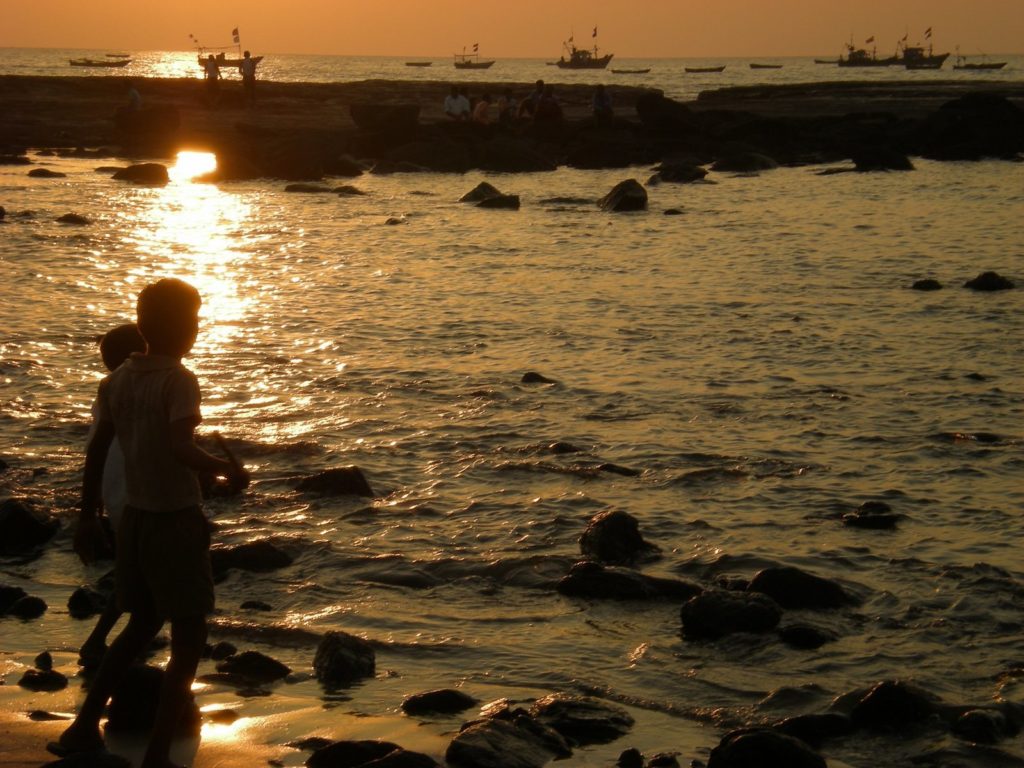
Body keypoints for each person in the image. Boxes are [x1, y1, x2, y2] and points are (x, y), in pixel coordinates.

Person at [52, 278, 250, 768]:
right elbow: (180, 448)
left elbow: (96, 451)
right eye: (196, 318)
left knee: (139, 624)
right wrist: (225, 468)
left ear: (141, 326)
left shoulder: (117, 378)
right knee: (188, 639)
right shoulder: (179, 379)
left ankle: (82, 728)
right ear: (184, 328)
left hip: (135, 521)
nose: (199, 327)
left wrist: (87, 517)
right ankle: (158, 754)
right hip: (173, 521)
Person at [76, 324, 146, 669]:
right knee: (142, 581)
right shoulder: (132, 387)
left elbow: (97, 450)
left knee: (132, 574)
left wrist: (91, 508)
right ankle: (102, 645)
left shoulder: (109, 389)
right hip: (138, 497)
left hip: (119, 494)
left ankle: (98, 641)